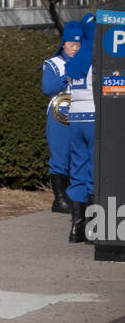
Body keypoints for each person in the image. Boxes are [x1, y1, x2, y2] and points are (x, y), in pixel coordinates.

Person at [59, 16, 96, 244]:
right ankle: (93, 227)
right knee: (95, 168)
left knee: (78, 169)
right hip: (94, 116)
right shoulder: (97, 54)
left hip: (75, 117)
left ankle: (76, 227)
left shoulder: (74, 58)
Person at [41, 38, 72, 214]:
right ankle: (60, 199)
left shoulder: (87, 61)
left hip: (81, 113)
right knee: (60, 156)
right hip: (59, 114)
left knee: (78, 157)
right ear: (63, 45)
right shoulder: (53, 63)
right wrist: (65, 76)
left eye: (79, 44)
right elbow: (47, 88)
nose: (75, 48)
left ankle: (73, 195)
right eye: (71, 44)